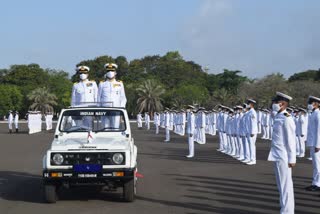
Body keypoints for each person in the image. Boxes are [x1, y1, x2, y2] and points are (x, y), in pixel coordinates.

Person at [268, 92, 296, 214]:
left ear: (282, 103)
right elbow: (272, 113)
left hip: (283, 157)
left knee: (285, 187)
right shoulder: (278, 116)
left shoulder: (286, 118)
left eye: (275, 102)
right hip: (277, 155)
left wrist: (292, 159)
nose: (273, 104)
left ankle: (287, 211)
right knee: (282, 186)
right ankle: (285, 209)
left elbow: (290, 141)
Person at [305, 96, 320, 191]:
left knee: (318, 165)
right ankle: (315, 182)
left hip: (317, 144)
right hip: (313, 142)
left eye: (312, 102)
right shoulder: (313, 113)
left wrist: (318, 145)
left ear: (317, 104)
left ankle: (318, 184)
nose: (309, 104)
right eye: (309, 102)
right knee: (315, 164)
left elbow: (319, 131)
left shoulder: (318, 114)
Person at [245, 99, 258, 165]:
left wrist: (252, 132)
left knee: (252, 146)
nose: (247, 105)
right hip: (248, 131)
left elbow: (253, 123)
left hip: (251, 132)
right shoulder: (249, 112)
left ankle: (253, 160)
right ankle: (250, 159)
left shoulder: (253, 112)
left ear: (251, 105)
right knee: (249, 146)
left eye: (248, 103)